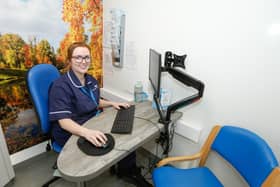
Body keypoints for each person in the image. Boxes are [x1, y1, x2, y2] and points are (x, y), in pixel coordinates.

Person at [48, 42, 152, 187]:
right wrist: (86, 133)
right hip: (70, 130)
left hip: (91, 122)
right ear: (69, 60)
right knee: (113, 140)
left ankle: (127, 170)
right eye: (78, 57)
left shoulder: (90, 80)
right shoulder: (60, 86)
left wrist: (112, 103)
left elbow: (93, 101)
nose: (83, 61)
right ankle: (120, 169)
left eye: (86, 57)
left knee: (125, 133)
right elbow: (63, 121)